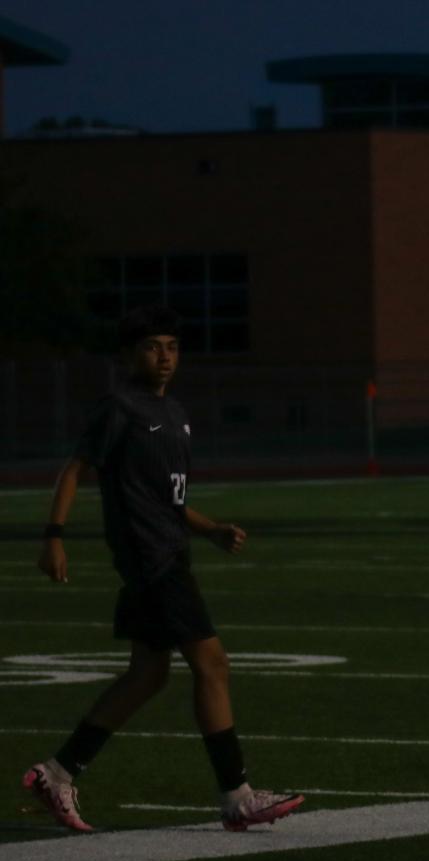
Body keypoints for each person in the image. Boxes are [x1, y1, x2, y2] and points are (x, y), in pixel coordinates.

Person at [22, 306, 303, 834]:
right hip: (151, 561)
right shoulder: (119, 407)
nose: (165, 356)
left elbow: (165, 499)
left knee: (148, 675)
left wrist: (209, 528)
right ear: (128, 355)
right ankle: (237, 795)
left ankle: (56, 773)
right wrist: (53, 537)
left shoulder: (173, 411)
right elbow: (76, 469)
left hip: (171, 551)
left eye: (172, 346)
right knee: (212, 664)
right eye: (153, 346)